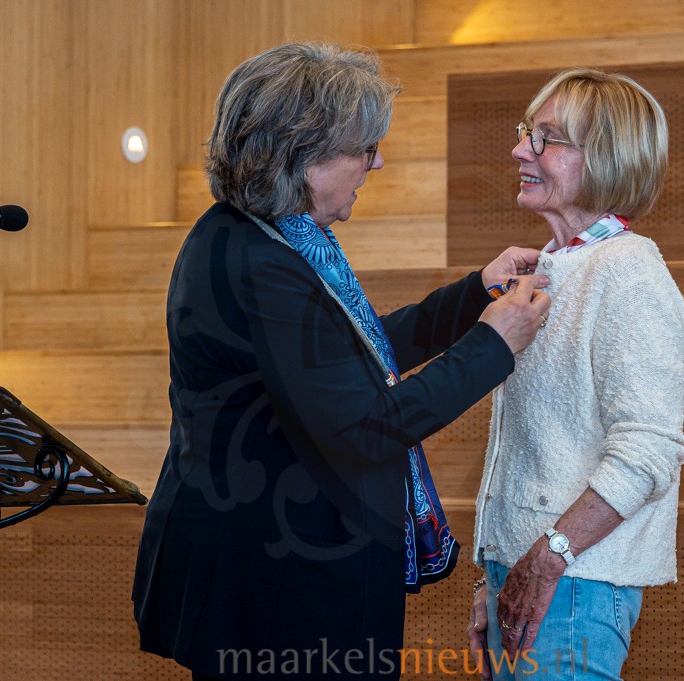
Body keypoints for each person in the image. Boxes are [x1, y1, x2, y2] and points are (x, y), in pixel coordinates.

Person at [132, 42, 551, 681]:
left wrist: (474, 296)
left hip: (276, 568)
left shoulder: (266, 234)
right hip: (274, 588)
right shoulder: (259, 262)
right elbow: (364, 427)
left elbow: (352, 356)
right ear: (304, 155)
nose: (377, 162)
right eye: (364, 148)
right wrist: (493, 345)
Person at [466, 68, 684, 680]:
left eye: (545, 138)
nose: (521, 151)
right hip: (528, 576)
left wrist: (547, 557)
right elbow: (535, 452)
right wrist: (493, 577)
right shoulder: (555, 266)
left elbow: (649, 451)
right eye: (526, 132)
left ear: (606, 159)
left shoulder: (629, 273)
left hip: (573, 585)